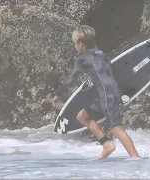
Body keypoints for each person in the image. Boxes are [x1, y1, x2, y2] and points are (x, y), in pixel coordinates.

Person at [53, 25, 141, 160]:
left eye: (75, 44)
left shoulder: (82, 58)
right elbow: (108, 74)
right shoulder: (102, 54)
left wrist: (58, 93)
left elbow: (71, 79)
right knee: (82, 116)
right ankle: (107, 144)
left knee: (116, 128)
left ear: (81, 44)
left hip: (106, 96)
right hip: (110, 93)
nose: (75, 47)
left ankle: (136, 158)